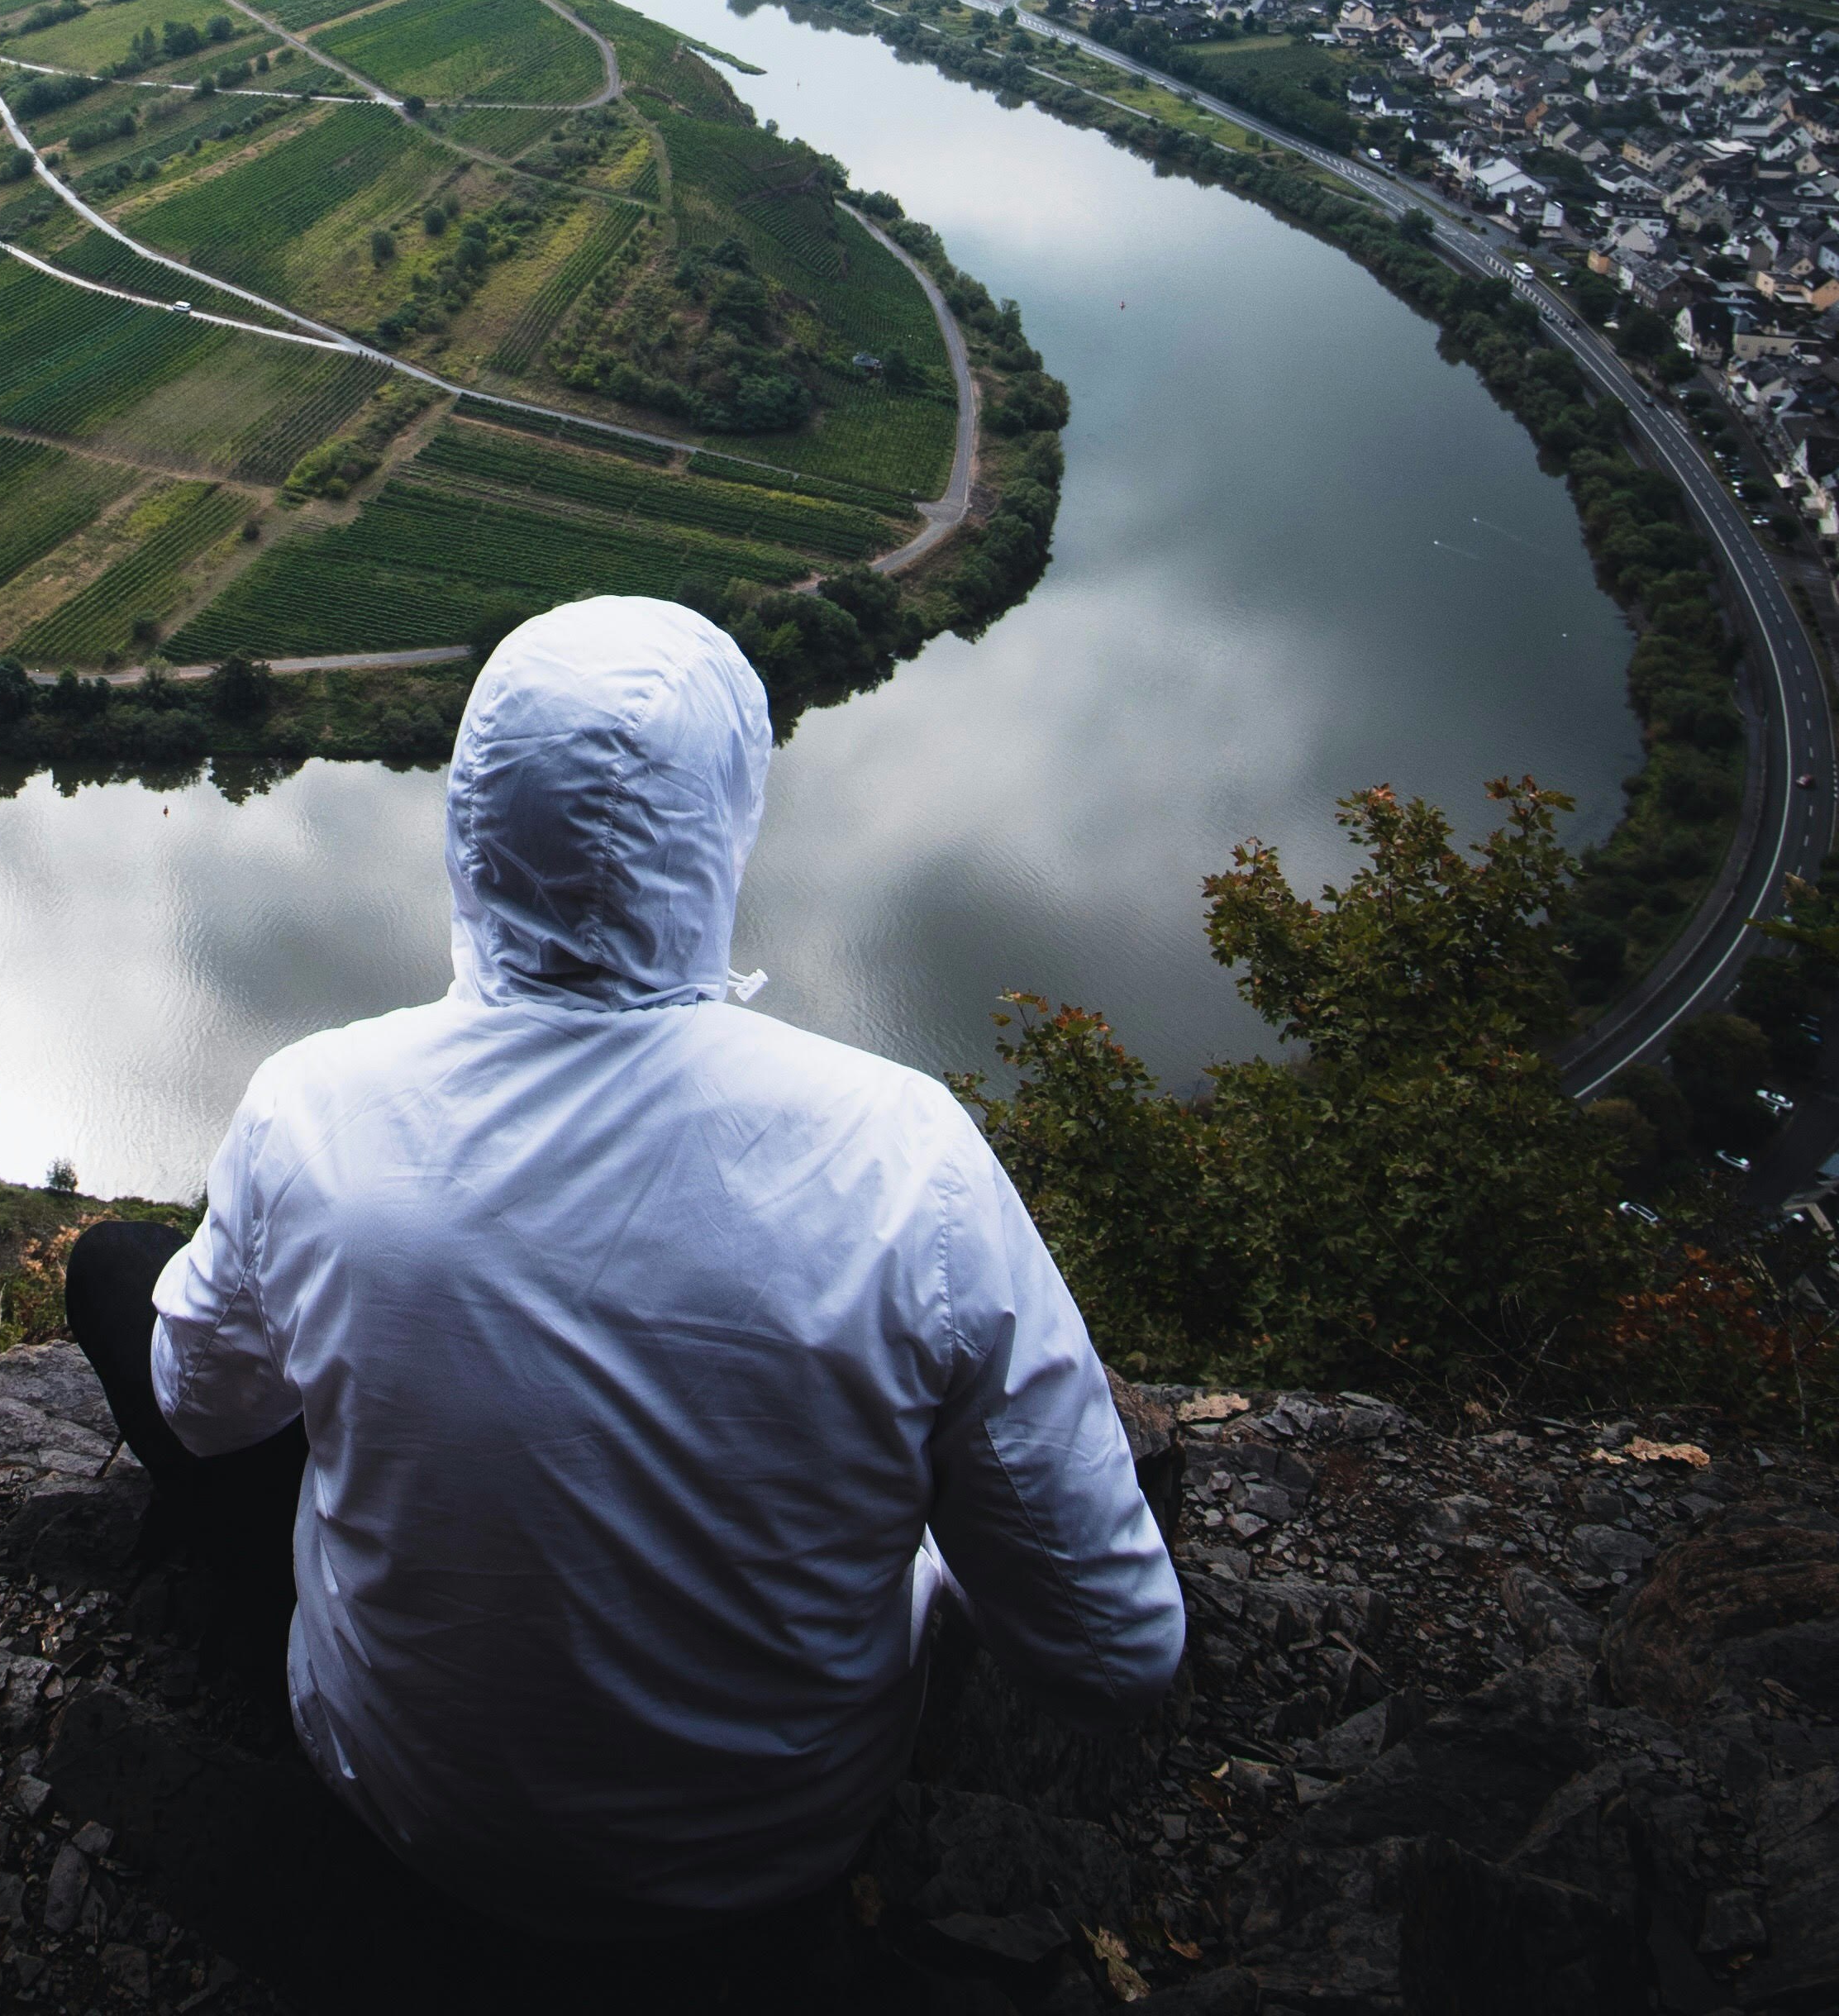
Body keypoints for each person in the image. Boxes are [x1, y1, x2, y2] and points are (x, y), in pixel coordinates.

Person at [65, 593, 1183, 1948]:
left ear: (470, 813)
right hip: (775, 1852)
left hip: (403, 1800)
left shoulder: (316, 1107)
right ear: (726, 826)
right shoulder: (903, 1160)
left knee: (118, 1269)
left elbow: (202, 1411)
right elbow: (1117, 1656)